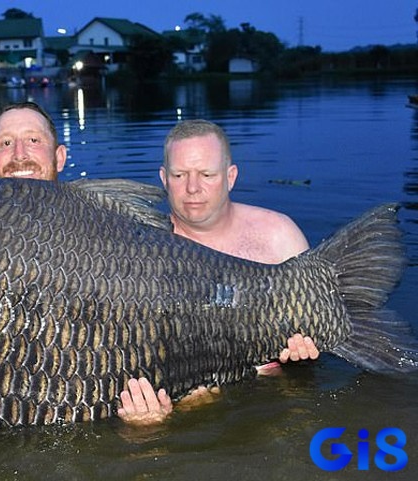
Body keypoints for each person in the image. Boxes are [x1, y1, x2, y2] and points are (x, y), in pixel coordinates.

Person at [118, 119, 320, 425]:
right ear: (163, 178)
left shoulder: (279, 236)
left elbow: (319, 333)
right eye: (179, 175)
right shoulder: (140, 253)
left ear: (231, 177)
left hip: (274, 396)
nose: (193, 188)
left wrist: (306, 354)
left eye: (207, 174)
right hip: (191, 408)